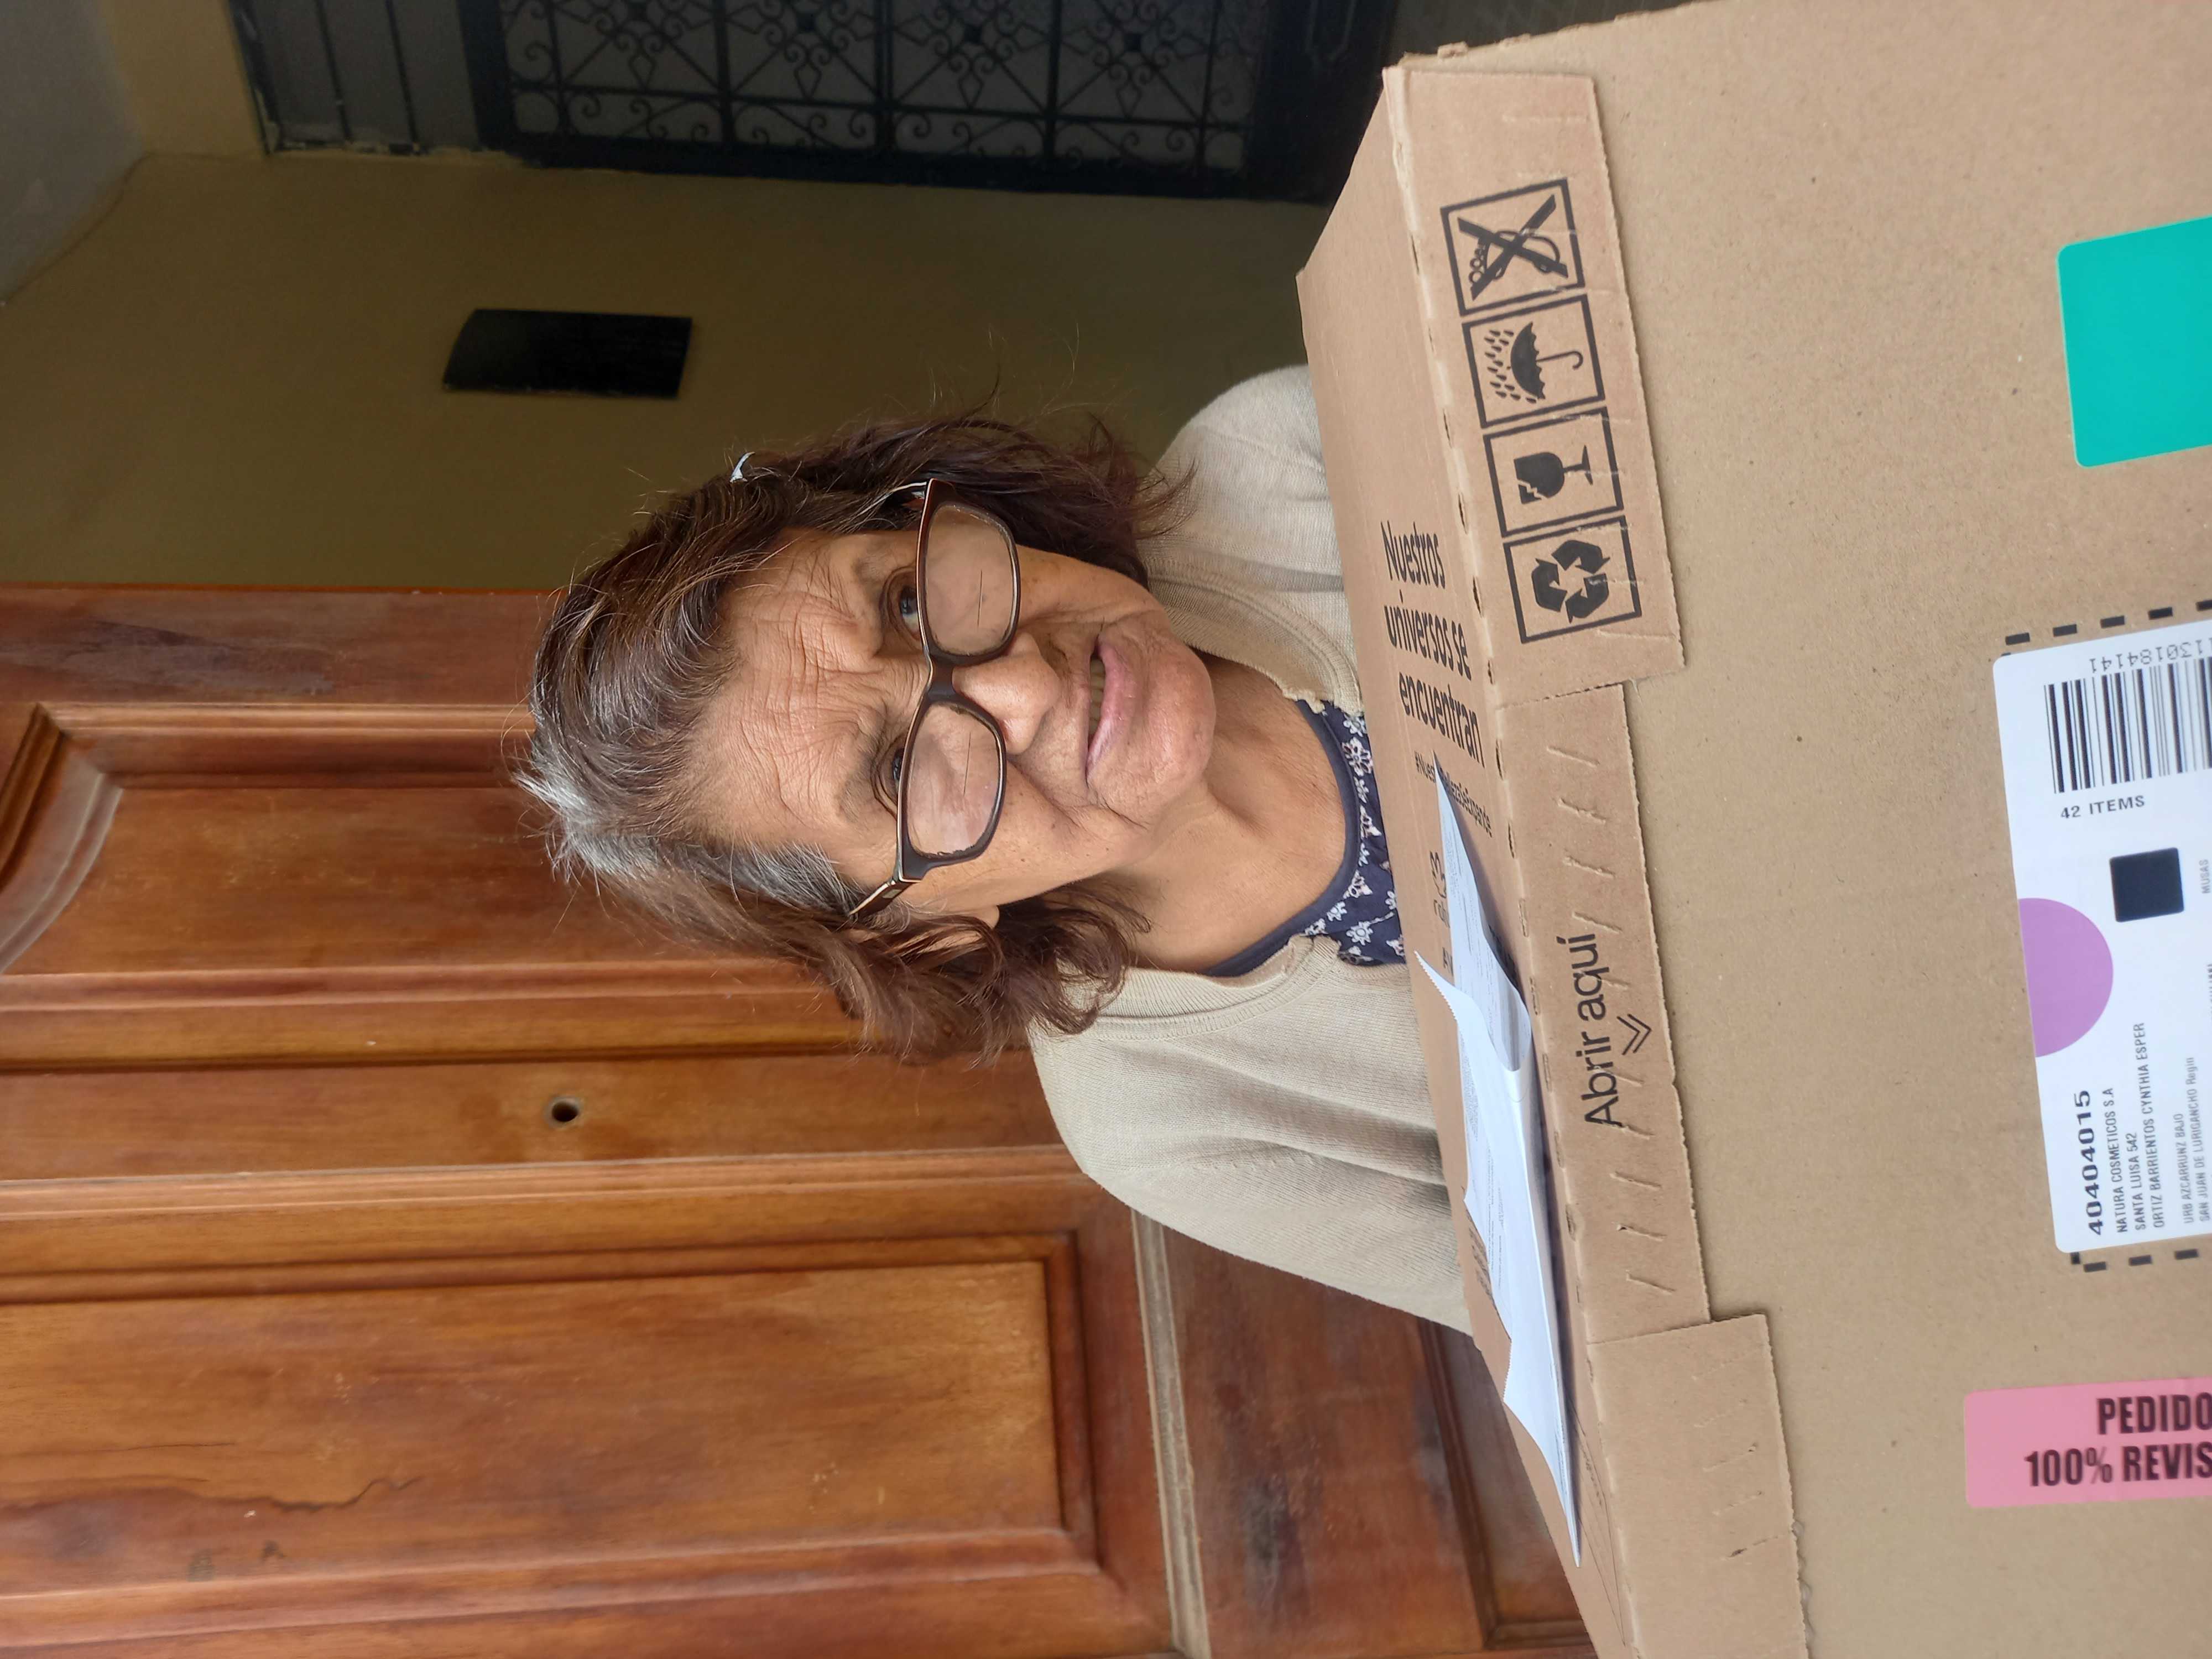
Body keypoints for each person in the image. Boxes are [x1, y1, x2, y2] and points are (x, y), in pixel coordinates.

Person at [522, 366, 1467, 1332]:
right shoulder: (1172, 1131)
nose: (1026, 684)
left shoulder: (1281, 459)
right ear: (917, 926)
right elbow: (1564, 1312)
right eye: (901, 770)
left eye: (906, 603)